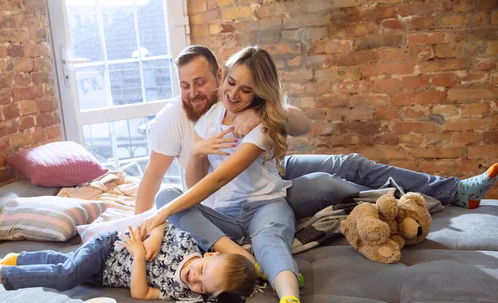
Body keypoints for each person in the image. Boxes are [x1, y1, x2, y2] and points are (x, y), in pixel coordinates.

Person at [136, 45, 497, 216]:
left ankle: (455, 189)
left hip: (272, 170)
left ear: (218, 75)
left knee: (350, 162)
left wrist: (263, 112)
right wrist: (141, 223)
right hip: (244, 198)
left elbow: (303, 123)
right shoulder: (174, 118)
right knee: (333, 184)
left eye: (199, 82)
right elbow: (153, 181)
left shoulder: (236, 94)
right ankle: (413, 204)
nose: (192, 93)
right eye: (183, 85)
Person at [139, 46, 307, 303]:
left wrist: (160, 216)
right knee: (168, 195)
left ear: (258, 93)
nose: (234, 94)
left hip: (264, 205)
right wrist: (195, 153)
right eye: (231, 83)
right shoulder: (210, 117)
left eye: (246, 90)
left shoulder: (260, 124)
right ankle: (253, 264)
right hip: (226, 216)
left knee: (269, 240)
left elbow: (221, 177)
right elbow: (195, 185)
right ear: (224, 77)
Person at [0, 223, 257, 302]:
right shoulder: (187, 243)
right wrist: (152, 240)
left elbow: (140, 293)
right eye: (202, 272)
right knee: (65, 276)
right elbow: (160, 223)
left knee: (66, 265)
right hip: (108, 248)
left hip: (101, 276)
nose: (194, 280)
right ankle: (3, 274)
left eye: (202, 289)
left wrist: (140, 258)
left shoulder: (180, 292)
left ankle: (19, 259)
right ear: (210, 255)